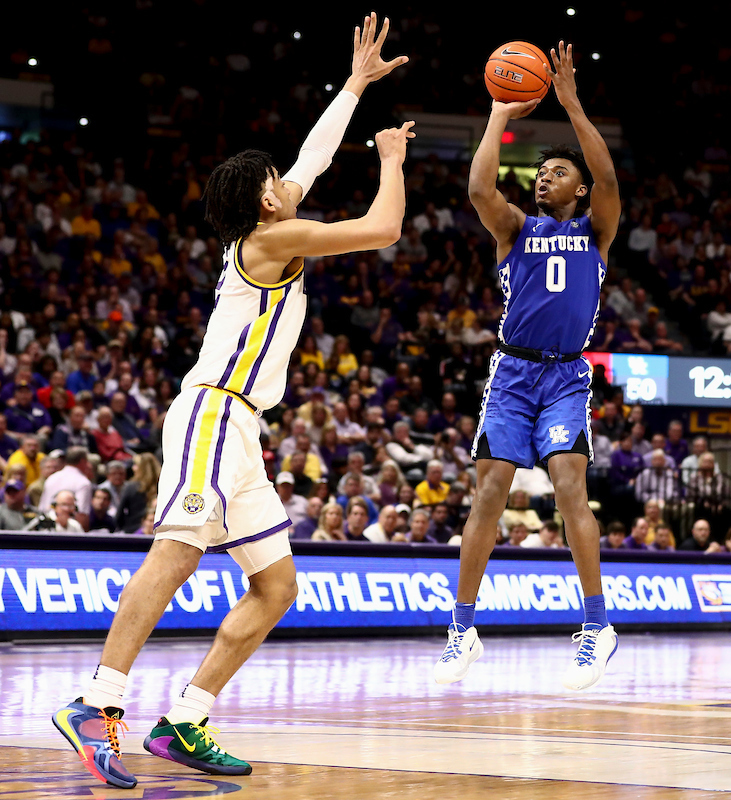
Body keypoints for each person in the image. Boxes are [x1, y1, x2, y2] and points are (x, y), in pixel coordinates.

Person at [53, 17, 413, 788]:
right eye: (274, 181)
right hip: (213, 413)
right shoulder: (269, 241)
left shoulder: (267, 229)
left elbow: (314, 156)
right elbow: (384, 228)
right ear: (263, 201)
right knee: (177, 552)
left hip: (241, 427)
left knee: (277, 586)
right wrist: (390, 159)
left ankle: (184, 720)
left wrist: (355, 84)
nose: (287, 182)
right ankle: (96, 702)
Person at [440, 42, 621, 692]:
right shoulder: (516, 229)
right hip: (512, 375)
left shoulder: (596, 230)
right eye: (541, 171)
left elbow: (609, 180)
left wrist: (570, 104)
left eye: (558, 171)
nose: (545, 177)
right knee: (489, 494)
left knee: (570, 487)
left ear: (579, 188)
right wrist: (498, 111)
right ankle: (463, 628)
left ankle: (596, 626)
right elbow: (478, 189)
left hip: (566, 376)